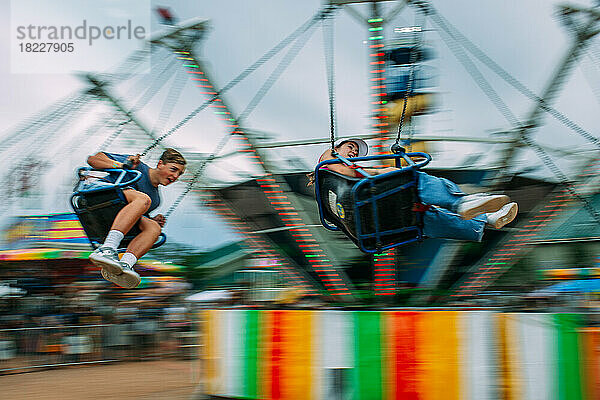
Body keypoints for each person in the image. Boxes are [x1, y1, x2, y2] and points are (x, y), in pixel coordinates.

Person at [309, 138, 518, 242]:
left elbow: (361, 172)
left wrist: (376, 170)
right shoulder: (331, 165)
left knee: (424, 217)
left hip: (378, 218)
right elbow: (344, 167)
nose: (354, 152)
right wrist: (384, 169)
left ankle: (485, 220)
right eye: (350, 147)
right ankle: (461, 202)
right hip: (366, 204)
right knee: (413, 178)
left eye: (356, 150)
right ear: (336, 149)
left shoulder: (341, 176)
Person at [86, 148, 186, 288]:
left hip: (115, 213)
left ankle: (125, 264)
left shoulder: (156, 199)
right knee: (143, 199)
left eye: (179, 174)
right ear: (160, 164)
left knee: (154, 228)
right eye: (173, 169)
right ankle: (107, 249)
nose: (176, 176)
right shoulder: (137, 166)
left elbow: (135, 215)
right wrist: (122, 165)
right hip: (99, 196)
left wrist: (151, 220)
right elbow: (92, 160)